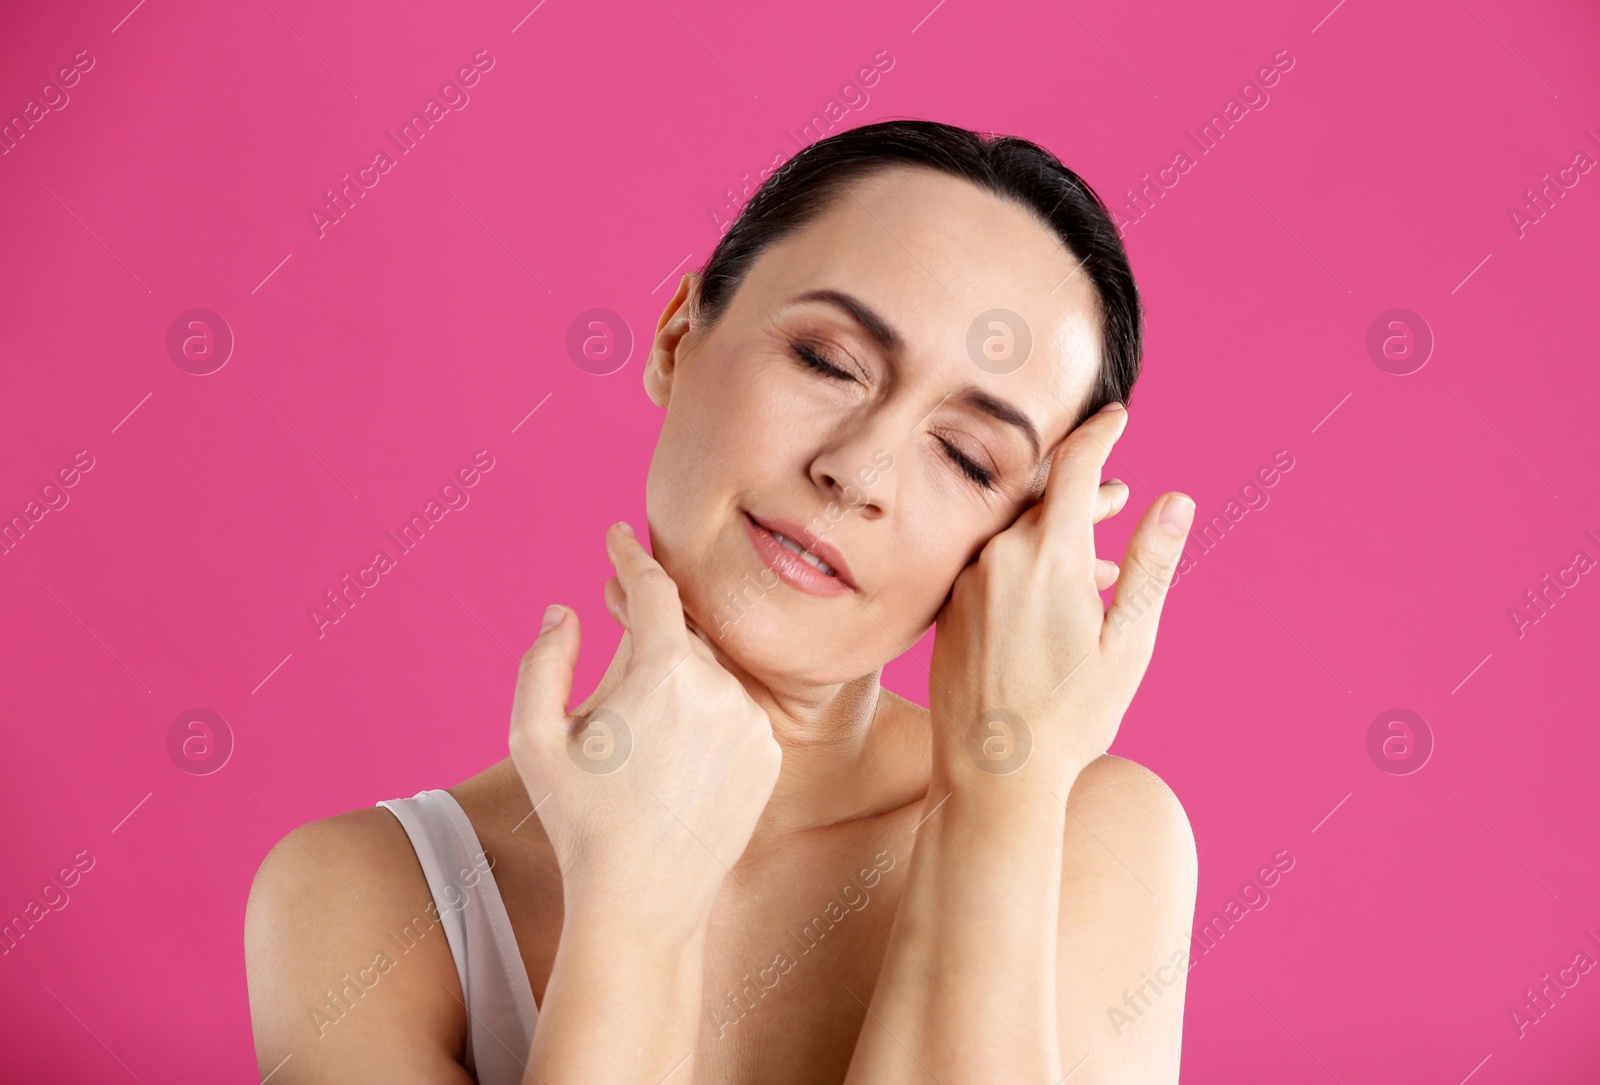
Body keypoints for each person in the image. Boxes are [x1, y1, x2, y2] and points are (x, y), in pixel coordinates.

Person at [245, 118, 1200, 1084]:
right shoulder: (362, 893)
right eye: (827, 361)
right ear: (676, 338)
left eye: (967, 456)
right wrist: (632, 905)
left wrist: (999, 801)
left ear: (1030, 538)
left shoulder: (1095, 839)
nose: (857, 470)